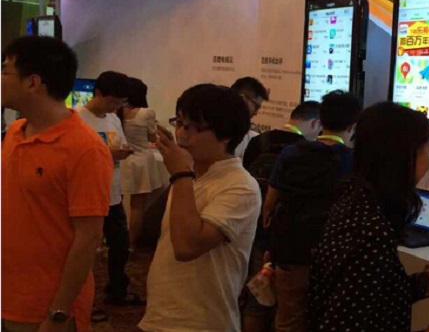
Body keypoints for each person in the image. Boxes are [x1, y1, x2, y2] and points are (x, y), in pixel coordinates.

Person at [2, 36, 112, 332]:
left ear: (33, 82)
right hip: (9, 292)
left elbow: (89, 238)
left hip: (44, 306)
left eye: (5, 70)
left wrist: (59, 312)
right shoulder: (15, 131)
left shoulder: (85, 148)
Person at [309, 102, 429, 332]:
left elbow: (367, 296)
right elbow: (343, 322)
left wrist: (417, 286)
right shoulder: (371, 232)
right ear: (405, 156)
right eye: (428, 150)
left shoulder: (355, 200)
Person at [139, 84, 261, 332]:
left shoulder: (240, 186)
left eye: (193, 127)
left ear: (225, 135)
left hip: (202, 322)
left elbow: (186, 246)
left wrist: (181, 174)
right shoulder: (191, 175)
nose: (181, 134)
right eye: (179, 123)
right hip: (161, 316)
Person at [263, 91, 361, 332]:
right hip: (331, 256)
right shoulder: (354, 161)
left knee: (287, 320)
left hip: (290, 251)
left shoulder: (291, 152)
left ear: (321, 120)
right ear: (353, 126)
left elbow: (270, 203)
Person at [240, 100, 322, 332]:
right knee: (286, 305)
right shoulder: (305, 151)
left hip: (255, 225)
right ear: (314, 123)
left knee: (256, 293)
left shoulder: (258, 141)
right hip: (288, 234)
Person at [77, 71, 144, 308]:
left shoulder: (113, 119)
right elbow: (73, 156)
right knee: (84, 250)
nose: (116, 107)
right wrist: (108, 153)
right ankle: (82, 301)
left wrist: (122, 152)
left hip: (112, 194)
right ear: (98, 93)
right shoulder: (77, 119)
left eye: (120, 103)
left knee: (119, 245)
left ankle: (116, 290)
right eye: (113, 101)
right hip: (87, 195)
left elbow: (119, 145)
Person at [118, 77, 166, 251]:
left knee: (115, 204)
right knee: (137, 207)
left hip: (121, 161)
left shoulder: (117, 112)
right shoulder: (146, 113)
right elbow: (152, 138)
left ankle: (113, 241)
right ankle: (130, 245)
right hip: (141, 162)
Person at [231, 76, 270, 157]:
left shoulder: (253, 139)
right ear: (242, 98)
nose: (256, 113)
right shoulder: (210, 131)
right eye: (256, 107)